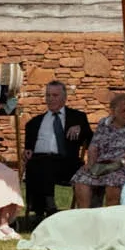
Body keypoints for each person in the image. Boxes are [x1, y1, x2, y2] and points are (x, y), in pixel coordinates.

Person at [21, 81, 91, 218]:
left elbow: (91, 140)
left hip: (67, 163)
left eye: (55, 95)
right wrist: (27, 151)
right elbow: (28, 148)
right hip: (40, 162)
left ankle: (42, 210)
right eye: (48, 95)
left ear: (64, 98)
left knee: (42, 164)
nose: (51, 99)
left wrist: (80, 129)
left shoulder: (77, 117)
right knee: (38, 163)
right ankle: (48, 206)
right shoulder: (33, 123)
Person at [68, 87, 125, 208]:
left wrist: (121, 162)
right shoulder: (104, 123)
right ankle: (86, 217)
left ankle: (110, 220)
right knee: (81, 180)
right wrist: (90, 163)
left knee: (113, 184)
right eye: (123, 111)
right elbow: (94, 146)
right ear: (113, 111)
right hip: (102, 165)